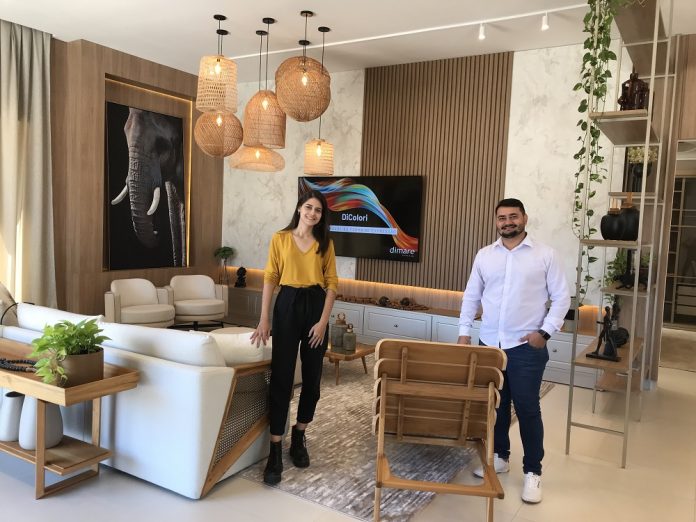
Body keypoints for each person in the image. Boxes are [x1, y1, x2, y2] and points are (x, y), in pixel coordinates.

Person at [458, 198, 570, 504]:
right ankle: (500, 456)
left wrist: (545, 332)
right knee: (495, 406)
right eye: (502, 218)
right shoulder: (485, 255)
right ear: (496, 221)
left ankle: (533, 471)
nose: (508, 222)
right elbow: (471, 295)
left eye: (513, 216)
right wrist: (464, 333)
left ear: (524, 218)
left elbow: (562, 297)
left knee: (528, 409)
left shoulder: (545, 255)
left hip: (525, 348)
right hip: (489, 345)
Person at [251, 190, 338, 485]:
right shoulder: (281, 238)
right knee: (282, 377)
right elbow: (270, 277)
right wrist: (264, 318)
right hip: (287, 304)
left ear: (321, 216)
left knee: (312, 378)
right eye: (308, 207)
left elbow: (332, 284)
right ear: (300, 209)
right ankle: (275, 448)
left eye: (318, 210)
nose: (313, 213)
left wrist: (323, 322)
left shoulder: (325, 244)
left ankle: (299, 436)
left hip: (316, 307)